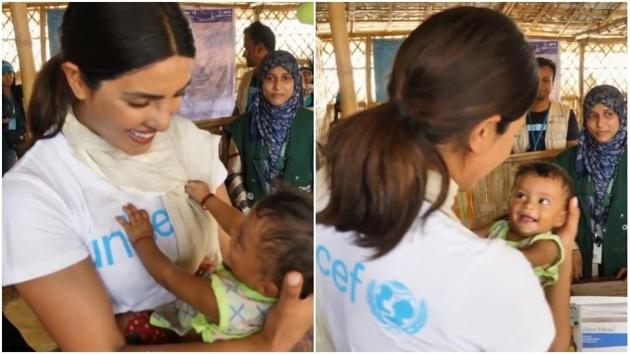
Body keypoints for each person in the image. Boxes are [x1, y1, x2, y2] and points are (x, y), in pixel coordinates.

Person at [2, 4, 311, 351]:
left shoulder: (185, 141)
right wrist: (260, 345)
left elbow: (238, 250)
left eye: (177, 94)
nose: (164, 123)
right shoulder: (34, 195)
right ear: (77, 80)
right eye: (140, 101)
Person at [316, 7, 578, 351]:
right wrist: (564, 244)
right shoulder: (489, 274)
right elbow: (556, 347)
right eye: (514, 130)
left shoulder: (330, 180)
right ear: (483, 133)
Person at [115, 182, 313, 344]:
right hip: (212, 296)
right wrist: (207, 199)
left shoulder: (222, 302)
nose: (235, 233)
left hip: (183, 332)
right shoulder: (278, 282)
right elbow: (237, 224)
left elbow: (169, 276)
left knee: (126, 323)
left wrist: (142, 238)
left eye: (240, 243)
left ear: (265, 287)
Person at [222, 50, 313, 213]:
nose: (277, 87)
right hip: (257, 218)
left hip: (302, 222)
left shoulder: (309, 123)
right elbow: (235, 174)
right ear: (261, 81)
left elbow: (320, 180)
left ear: (295, 82)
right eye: (270, 78)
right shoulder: (242, 127)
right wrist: (249, 215)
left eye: (285, 78)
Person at [553, 84, 627, 281]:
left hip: (621, 268)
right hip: (577, 267)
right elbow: (546, 210)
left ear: (621, 115)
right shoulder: (565, 162)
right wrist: (569, 246)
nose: (600, 124)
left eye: (608, 114)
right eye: (593, 115)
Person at [485, 162, 572, 287]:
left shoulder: (549, 244)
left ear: (560, 218)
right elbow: (462, 236)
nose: (529, 205)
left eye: (543, 201)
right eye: (521, 195)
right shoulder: (499, 227)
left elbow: (521, 260)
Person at [513, 57, 579, 153]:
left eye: (546, 80)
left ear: (552, 83)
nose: (540, 85)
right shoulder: (513, 115)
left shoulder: (566, 114)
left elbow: (571, 154)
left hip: (555, 167)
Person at [233, 21, 275, 116]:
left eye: (246, 49)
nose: (244, 55)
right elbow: (238, 110)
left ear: (260, 49)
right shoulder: (247, 79)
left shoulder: (287, 80)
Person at [2, 60, 27, 174]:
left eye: (10, 73)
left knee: (27, 166)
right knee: (8, 169)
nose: (8, 77)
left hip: (21, 131)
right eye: (3, 74)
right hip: (6, 136)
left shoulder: (18, 90)